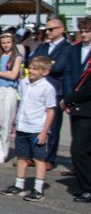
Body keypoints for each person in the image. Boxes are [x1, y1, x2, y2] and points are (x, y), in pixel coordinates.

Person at [1, 56, 57, 202]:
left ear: (45, 72)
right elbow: (21, 103)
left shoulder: (47, 88)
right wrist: (16, 123)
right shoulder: (24, 83)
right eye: (30, 68)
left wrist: (44, 131)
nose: (31, 71)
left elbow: (50, 110)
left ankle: (38, 189)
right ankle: (19, 184)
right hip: (22, 126)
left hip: (37, 128)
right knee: (21, 156)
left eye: (35, 69)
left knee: (39, 158)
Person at [30, 18, 71, 168]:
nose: (47, 32)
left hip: (56, 90)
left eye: (51, 29)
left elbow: (59, 67)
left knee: (53, 127)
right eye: (46, 29)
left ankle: (49, 158)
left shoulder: (67, 48)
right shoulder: (43, 46)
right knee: (36, 124)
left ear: (61, 30)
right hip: (38, 89)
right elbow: (31, 61)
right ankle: (34, 155)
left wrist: (43, 65)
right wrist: (48, 64)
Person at [0, 32, 23, 164]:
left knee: (6, 123)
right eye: (3, 43)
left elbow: (13, 76)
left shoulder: (17, 57)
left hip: (9, 90)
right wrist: (3, 73)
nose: (6, 45)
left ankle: (2, 152)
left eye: (8, 42)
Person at [65, 20, 91, 203]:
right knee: (80, 147)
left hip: (87, 105)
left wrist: (70, 98)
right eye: (82, 30)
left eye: (88, 31)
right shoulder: (75, 50)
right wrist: (68, 99)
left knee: (79, 149)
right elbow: (69, 74)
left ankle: (88, 187)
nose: (84, 34)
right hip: (77, 105)